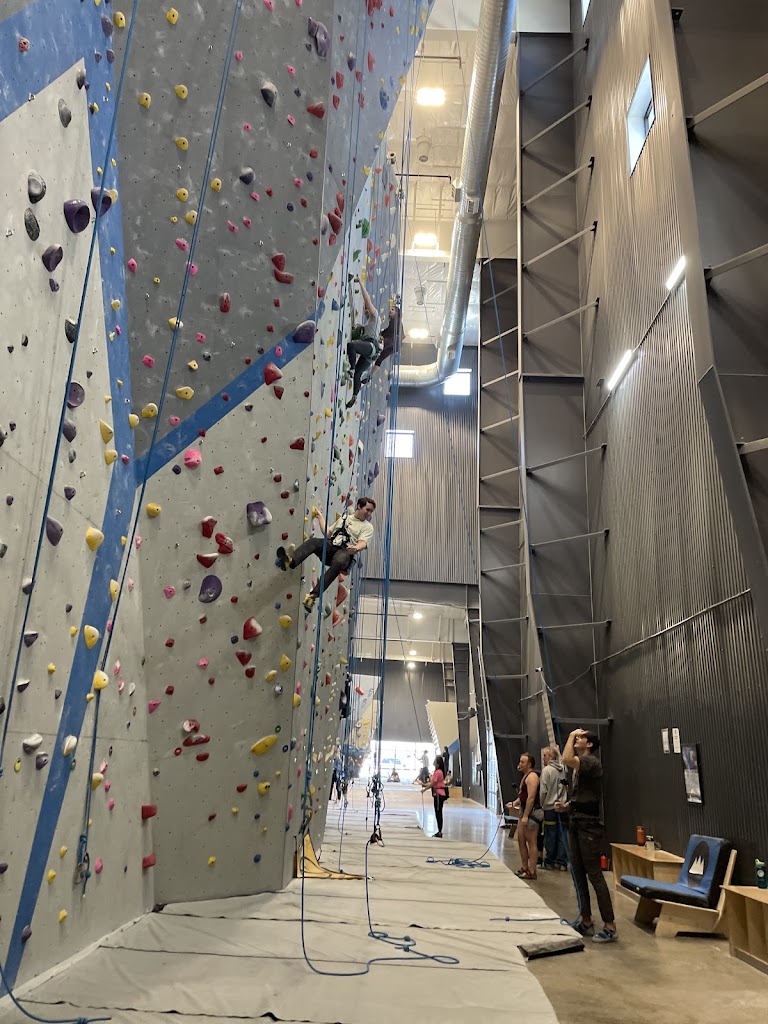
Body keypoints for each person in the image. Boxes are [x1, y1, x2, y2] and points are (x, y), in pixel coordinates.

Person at [556, 729, 618, 943]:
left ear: (589, 744)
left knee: (594, 874)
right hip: (576, 821)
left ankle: (610, 925)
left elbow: (566, 759)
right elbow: (582, 794)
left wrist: (570, 735)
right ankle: (586, 920)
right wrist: (567, 806)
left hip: (589, 826)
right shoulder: (580, 766)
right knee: (578, 872)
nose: (577, 739)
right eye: (577, 737)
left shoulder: (591, 762)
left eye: (581, 738)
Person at [276, 497, 375, 611]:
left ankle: (312, 596)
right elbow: (328, 533)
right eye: (368, 510)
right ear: (359, 506)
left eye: (371, 511)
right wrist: (320, 517)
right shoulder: (345, 518)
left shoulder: (367, 527)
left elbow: (363, 542)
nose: (369, 513)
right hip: (331, 547)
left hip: (346, 552)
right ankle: (291, 561)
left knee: (340, 560)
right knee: (314, 542)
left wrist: (356, 547)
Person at [345, 276, 383, 408]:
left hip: (371, 347)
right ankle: (354, 396)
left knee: (351, 346)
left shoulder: (375, 316)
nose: (365, 311)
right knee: (358, 374)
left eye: (366, 309)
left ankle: (352, 368)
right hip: (372, 354)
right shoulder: (369, 325)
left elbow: (367, 299)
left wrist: (360, 283)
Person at [506, 752, 542, 880]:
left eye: (523, 762)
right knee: (521, 840)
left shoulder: (532, 777)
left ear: (529, 764)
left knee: (531, 842)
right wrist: (514, 803)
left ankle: (532, 871)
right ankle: (524, 867)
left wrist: (526, 815)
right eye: (520, 761)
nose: (520, 764)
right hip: (524, 811)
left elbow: (531, 798)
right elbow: (523, 795)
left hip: (532, 813)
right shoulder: (525, 776)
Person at [540, 744, 569, 870]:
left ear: (551, 757)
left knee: (550, 835)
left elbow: (543, 791)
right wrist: (558, 752)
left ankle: (549, 861)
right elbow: (563, 762)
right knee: (562, 834)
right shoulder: (563, 769)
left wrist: (543, 804)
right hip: (562, 807)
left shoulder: (546, 770)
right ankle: (561, 862)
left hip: (550, 807)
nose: (543, 758)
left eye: (545, 755)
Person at [419, 755, 448, 838]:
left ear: (438, 763)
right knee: (438, 812)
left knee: (438, 813)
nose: (433, 762)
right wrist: (424, 785)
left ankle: (439, 831)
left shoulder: (438, 772)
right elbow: (432, 782)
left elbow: (433, 783)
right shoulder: (438, 772)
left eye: (435, 760)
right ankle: (439, 831)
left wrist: (424, 789)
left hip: (439, 795)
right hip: (438, 794)